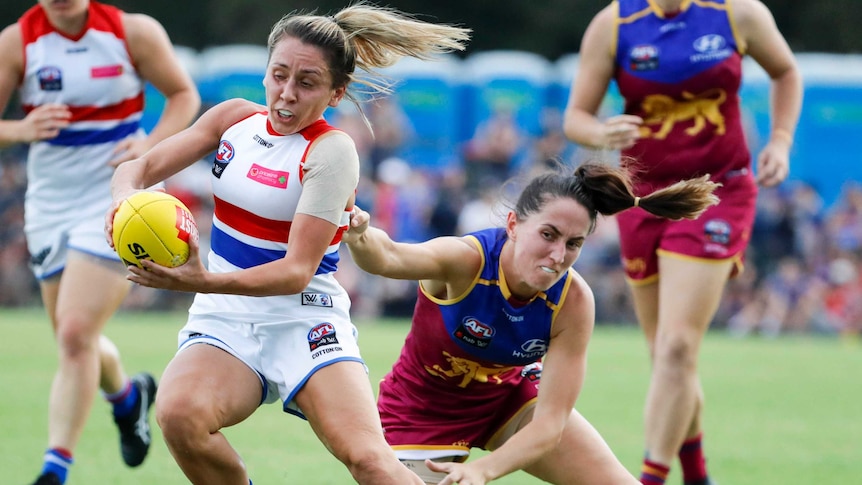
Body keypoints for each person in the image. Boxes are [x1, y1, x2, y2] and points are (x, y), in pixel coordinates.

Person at [105, 4, 470, 484]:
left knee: (368, 460)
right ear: (265, 72)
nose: (287, 93)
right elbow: (137, 169)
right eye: (279, 75)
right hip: (227, 316)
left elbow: (296, 270)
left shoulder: (332, 152)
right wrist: (122, 204)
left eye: (307, 82)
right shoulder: (233, 119)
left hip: (305, 316)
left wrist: (202, 279)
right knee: (179, 415)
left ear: (336, 93)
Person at [342, 161, 720, 485]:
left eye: (573, 244)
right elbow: (387, 257)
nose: (558, 255)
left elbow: (549, 426)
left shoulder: (573, 302)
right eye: (548, 235)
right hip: (420, 410)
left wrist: (483, 471)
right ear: (513, 225)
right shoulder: (466, 261)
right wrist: (359, 233)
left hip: (507, 402)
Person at [562, 1, 803, 484]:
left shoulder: (739, 14)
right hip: (643, 199)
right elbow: (576, 118)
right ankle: (698, 475)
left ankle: (650, 478)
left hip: (718, 190)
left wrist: (779, 139)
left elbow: (785, 71)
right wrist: (602, 130)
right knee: (666, 354)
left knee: (675, 349)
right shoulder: (614, 25)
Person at [0, 1, 201, 484]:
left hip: (120, 197)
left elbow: (183, 96)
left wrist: (150, 142)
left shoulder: (133, 32)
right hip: (50, 203)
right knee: (76, 339)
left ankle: (55, 469)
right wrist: (21, 129)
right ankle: (129, 399)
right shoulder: (16, 43)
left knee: (73, 334)